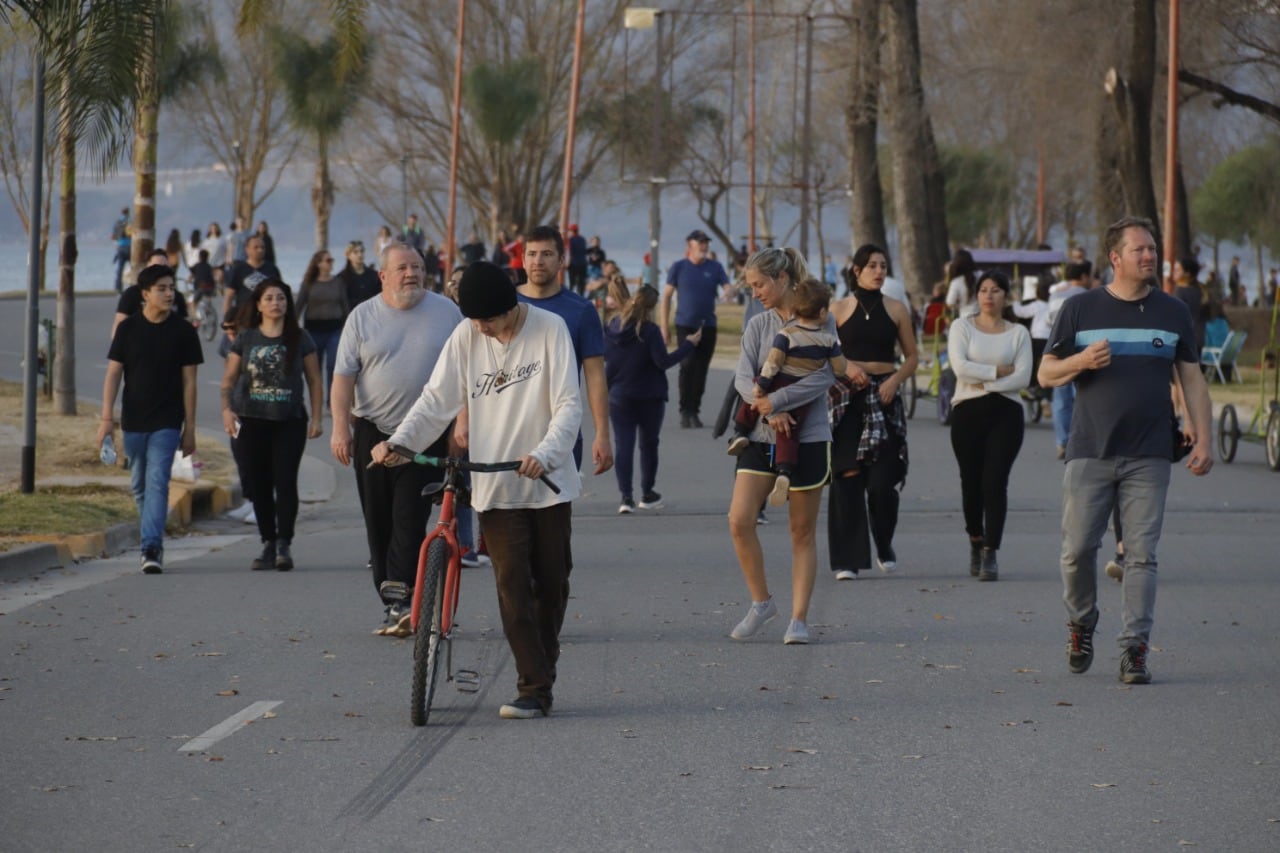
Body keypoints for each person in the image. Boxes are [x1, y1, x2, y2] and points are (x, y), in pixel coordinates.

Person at [371, 261, 582, 719]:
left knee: (551, 583)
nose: (483, 329)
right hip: (493, 482)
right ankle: (533, 688)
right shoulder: (467, 336)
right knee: (511, 585)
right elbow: (436, 399)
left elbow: (569, 403)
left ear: (511, 308)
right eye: (476, 320)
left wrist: (545, 453)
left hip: (545, 481)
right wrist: (399, 442)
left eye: (490, 320)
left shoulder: (551, 330)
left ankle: (542, 667)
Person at [1038, 216, 1213, 685]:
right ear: (1115, 258)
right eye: (1139, 249)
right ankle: (1081, 621)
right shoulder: (1080, 309)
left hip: (1150, 452)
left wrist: (1204, 437)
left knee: (1141, 555)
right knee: (1076, 551)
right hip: (1091, 448)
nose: (1150, 255)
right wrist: (1080, 360)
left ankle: (1134, 649)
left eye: (1152, 248)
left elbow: (1192, 379)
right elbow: (1046, 374)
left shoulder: (1172, 311)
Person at [330, 243, 463, 635]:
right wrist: (341, 427)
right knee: (379, 520)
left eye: (418, 267)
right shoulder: (362, 317)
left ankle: (402, 599)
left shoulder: (447, 312)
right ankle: (391, 598)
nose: (412, 274)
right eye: (402, 268)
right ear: (383, 276)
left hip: (427, 432)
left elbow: (466, 373)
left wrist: (459, 425)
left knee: (410, 515)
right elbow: (343, 379)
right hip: (372, 429)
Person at [726, 248, 835, 645]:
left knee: (801, 530)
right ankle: (761, 603)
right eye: (751, 285)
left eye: (759, 284)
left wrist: (780, 402)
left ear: (783, 279)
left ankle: (799, 619)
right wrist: (767, 411)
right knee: (739, 520)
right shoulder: (757, 325)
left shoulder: (823, 318)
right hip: (760, 435)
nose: (754, 292)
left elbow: (825, 377)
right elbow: (743, 377)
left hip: (808, 437)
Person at [96, 265, 203, 573]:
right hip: (133, 420)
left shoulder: (184, 331)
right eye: (162, 288)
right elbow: (114, 374)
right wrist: (107, 419)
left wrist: (190, 429)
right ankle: (151, 536)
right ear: (145, 295)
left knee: (157, 482)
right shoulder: (128, 329)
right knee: (140, 485)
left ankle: (151, 547)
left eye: (172, 287)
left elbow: (190, 383)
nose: (169, 293)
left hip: (168, 421)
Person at [827, 244, 919, 579]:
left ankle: (884, 541)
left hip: (884, 396)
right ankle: (847, 560)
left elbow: (912, 356)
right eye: (872, 266)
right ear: (857, 270)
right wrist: (847, 366)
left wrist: (895, 380)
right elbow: (825, 352)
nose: (879, 271)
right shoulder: (836, 309)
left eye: (883, 266)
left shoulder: (896, 309)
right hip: (846, 398)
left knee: (882, 482)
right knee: (846, 478)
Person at [220, 280, 323, 569]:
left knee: (285, 481)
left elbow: (314, 380)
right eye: (269, 298)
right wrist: (227, 411)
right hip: (251, 420)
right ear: (259, 304)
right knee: (259, 483)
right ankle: (267, 542)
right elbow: (228, 379)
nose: (276, 302)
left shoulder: (300, 338)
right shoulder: (246, 338)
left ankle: (283, 544)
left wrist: (316, 417)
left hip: (289, 421)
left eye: (281, 298)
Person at [728, 278, 845, 509]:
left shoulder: (786, 334)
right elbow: (838, 369)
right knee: (789, 431)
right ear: (822, 312)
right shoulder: (828, 339)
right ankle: (784, 471)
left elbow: (773, 363)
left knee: (749, 403)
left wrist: (763, 388)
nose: (754, 293)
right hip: (801, 395)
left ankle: (740, 431)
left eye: (758, 284)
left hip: (777, 384)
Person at [947, 270, 1033, 581]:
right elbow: (961, 369)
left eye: (996, 290)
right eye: (983, 289)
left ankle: (990, 552)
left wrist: (987, 384)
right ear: (976, 294)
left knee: (994, 483)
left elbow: (1022, 378)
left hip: (1006, 414)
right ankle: (975, 539)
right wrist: (999, 372)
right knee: (971, 484)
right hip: (967, 413)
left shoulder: (1018, 333)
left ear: (1006, 296)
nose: (988, 295)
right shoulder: (962, 327)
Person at [515, 224, 613, 475]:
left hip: (561, 433)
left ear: (561, 261)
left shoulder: (581, 311)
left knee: (556, 512)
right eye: (532, 254)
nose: (538, 261)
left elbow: (595, 376)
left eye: (547, 254)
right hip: (507, 432)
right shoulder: (504, 307)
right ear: (523, 260)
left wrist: (602, 433)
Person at [604, 280, 699, 514]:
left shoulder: (611, 327)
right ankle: (647, 492)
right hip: (649, 395)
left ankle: (625, 498)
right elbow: (662, 362)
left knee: (623, 445)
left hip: (619, 395)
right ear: (653, 307)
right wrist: (689, 345)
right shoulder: (650, 331)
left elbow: (606, 360)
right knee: (648, 445)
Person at [661, 229, 730, 428]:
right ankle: (684, 410)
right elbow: (665, 297)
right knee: (687, 366)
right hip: (684, 325)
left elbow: (727, 286)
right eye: (700, 242)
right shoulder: (678, 267)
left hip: (708, 325)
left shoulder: (715, 267)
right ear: (689, 244)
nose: (704, 245)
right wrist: (664, 327)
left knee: (701, 370)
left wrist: (729, 291)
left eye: (706, 242)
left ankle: (694, 411)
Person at [1047, 262, 1091, 458]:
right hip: (1081, 350)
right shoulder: (1089, 296)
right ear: (1084, 276)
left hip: (1059, 349)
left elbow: (1050, 320)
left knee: (1060, 399)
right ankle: (1081, 440)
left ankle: (1062, 442)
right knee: (1081, 396)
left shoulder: (1055, 295)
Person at [296, 249, 350, 401]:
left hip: (335, 329)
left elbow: (345, 306)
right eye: (328, 260)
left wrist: (349, 327)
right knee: (315, 368)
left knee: (333, 364)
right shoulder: (308, 283)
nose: (331, 263)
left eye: (332, 260)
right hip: (313, 330)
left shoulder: (338, 282)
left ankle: (331, 401)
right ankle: (316, 399)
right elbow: (299, 306)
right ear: (318, 264)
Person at [112, 248, 190, 339]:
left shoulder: (176, 296)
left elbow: (185, 327)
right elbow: (119, 324)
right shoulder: (131, 294)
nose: (160, 272)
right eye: (155, 267)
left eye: (164, 267)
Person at [222, 234, 281, 323]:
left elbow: (281, 294)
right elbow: (229, 297)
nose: (260, 250)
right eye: (256, 247)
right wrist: (227, 320)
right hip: (243, 319)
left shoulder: (272, 269)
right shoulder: (238, 270)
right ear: (247, 250)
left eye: (262, 247)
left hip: (267, 319)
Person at [1172, 256, 1206, 355]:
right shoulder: (1201, 290)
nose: (1174, 272)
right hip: (1199, 337)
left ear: (1187, 273)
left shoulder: (1180, 291)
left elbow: (1176, 317)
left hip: (1183, 339)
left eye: (1178, 270)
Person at [338, 240, 381, 308]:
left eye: (362, 251)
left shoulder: (374, 275)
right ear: (348, 255)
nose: (360, 254)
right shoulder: (342, 277)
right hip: (351, 314)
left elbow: (380, 297)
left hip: (372, 313)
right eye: (355, 252)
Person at [944, 248, 978, 319]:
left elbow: (950, 303)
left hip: (965, 318)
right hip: (983, 318)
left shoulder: (956, 282)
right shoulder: (982, 276)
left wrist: (960, 305)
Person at [111, 207, 131, 293]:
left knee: (120, 269)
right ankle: (133, 286)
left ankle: (118, 287)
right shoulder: (129, 222)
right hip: (129, 247)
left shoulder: (117, 223)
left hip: (120, 247)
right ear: (128, 213)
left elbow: (113, 236)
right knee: (133, 267)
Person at [566, 224, 589, 296]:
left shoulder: (570, 240)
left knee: (572, 283)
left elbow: (569, 252)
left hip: (573, 264)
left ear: (572, 231)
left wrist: (567, 264)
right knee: (581, 284)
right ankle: (581, 297)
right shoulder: (582, 239)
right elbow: (584, 251)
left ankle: (570, 298)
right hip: (583, 264)